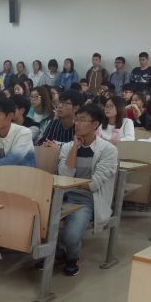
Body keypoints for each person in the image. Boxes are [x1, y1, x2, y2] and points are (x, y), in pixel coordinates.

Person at [55, 104, 118, 276]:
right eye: (77, 119)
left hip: (88, 200)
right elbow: (64, 175)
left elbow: (93, 185)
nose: (77, 123)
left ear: (95, 124)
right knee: (41, 223)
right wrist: (74, 148)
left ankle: (71, 258)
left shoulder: (108, 150)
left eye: (82, 120)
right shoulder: (68, 147)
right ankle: (56, 253)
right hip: (63, 195)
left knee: (71, 235)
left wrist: (72, 183)